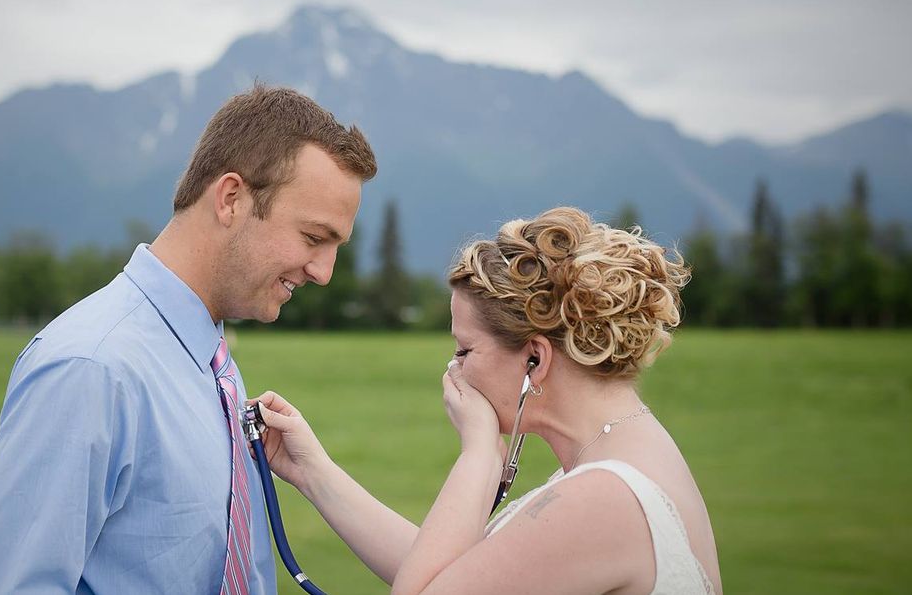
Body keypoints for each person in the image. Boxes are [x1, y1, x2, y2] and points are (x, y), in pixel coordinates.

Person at [0, 85, 377, 593]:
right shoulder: (92, 368)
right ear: (231, 200)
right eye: (313, 238)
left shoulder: (208, 362)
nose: (325, 272)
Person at [253, 206, 723, 594]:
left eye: (465, 350)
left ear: (535, 359)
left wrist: (479, 456)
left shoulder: (606, 498)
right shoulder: (617, 462)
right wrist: (311, 471)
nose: (453, 370)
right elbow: (454, 574)